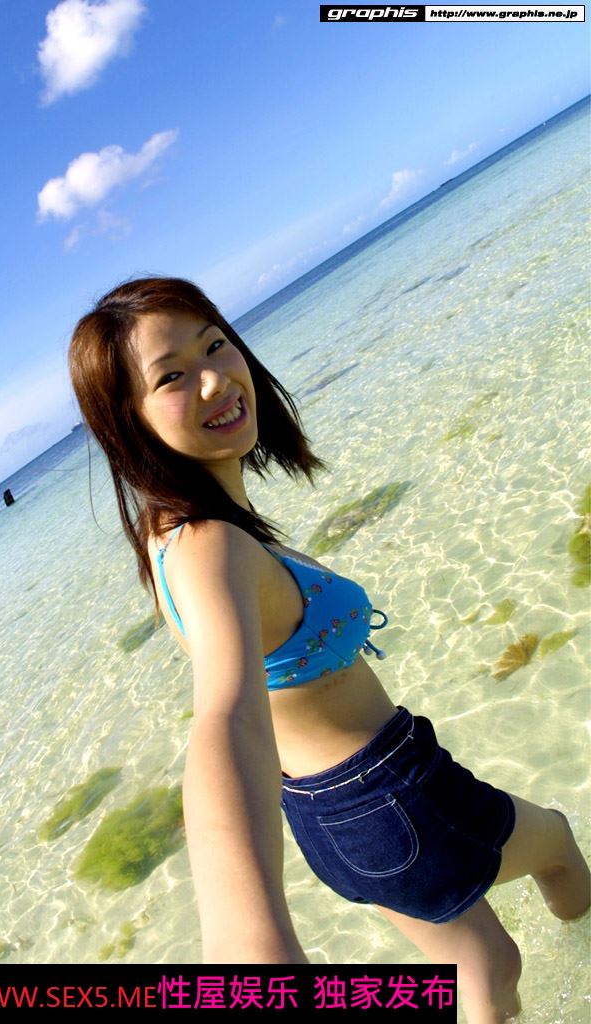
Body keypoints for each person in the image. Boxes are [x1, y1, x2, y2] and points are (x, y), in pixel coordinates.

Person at [68, 276, 589, 1024]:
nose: (214, 380)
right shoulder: (212, 545)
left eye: (214, 345)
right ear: (130, 422)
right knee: (558, 846)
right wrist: (249, 942)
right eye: (171, 377)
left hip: (330, 814)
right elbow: (226, 715)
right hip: (390, 793)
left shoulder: (167, 532)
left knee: (484, 964)